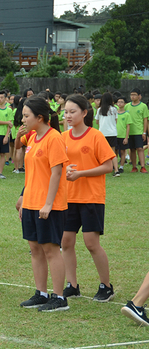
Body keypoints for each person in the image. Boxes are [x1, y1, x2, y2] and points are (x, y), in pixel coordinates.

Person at [15, 96, 69, 312]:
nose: (23, 119)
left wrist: (47, 204)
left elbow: (57, 174)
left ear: (40, 117)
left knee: (51, 250)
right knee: (35, 249)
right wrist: (24, 199)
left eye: (26, 116)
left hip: (49, 205)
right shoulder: (33, 138)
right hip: (31, 202)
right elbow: (31, 172)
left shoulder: (54, 138)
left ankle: (59, 297)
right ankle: (41, 293)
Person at [61, 94, 116, 302]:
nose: (68, 116)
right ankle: (72, 285)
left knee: (91, 243)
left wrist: (80, 173)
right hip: (68, 198)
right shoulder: (62, 138)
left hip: (91, 197)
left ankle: (106, 286)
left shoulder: (95, 136)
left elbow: (108, 166)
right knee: (66, 241)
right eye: (65, 112)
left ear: (84, 113)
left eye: (72, 112)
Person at [124, 88, 148, 173]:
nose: (132, 96)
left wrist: (144, 132)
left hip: (139, 131)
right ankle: (134, 167)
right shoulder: (127, 106)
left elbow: (145, 120)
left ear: (139, 96)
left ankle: (142, 166)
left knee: (140, 149)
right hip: (129, 132)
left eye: (134, 94)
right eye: (131, 95)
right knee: (132, 149)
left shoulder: (143, 106)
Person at [95, 92, 119, 175]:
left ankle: (102, 169)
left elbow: (97, 121)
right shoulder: (114, 109)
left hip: (102, 133)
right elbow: (116, 121)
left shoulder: (99, 109)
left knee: (102, 152)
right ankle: (116, 170)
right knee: (113, 152)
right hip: (112, 133)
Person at [115, 97, 131, 175]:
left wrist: (126, 137)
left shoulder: (127, 114)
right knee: (115, 151)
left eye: (122, 102)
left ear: (125, 104)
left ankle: (121, 166)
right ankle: (114, 166)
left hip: (123, 135)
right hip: (115, 135)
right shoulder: (114, 113)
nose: (120, 103)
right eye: (118, 102)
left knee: (122, 151)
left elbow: (128, 126)